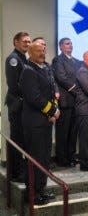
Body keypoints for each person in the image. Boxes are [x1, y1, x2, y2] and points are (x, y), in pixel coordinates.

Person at [20, 42, 60, 205]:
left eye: (43, 50)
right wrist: (52, 111)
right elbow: (34, 97)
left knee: (44, 158)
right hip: (34, 122)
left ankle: (40, 190)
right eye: (38, 50)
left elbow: (52, 93)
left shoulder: (46, 68)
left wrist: (54, 110)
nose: (42, 52)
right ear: (30, 52)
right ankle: (31, 194)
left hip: (45, 121)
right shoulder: (28, 70)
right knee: (35, 158)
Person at [5, 32, 31, 182]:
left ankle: (21, 170)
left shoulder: (23, 58)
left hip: (23, 105)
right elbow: (14, 85)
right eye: (24, 42)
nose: (27, 44)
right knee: (17, 140)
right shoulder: (13, 59)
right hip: (17, 105)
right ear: (15, 42)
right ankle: (16, 173)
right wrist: (30, 93)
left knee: (22, 139)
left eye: (28, 42)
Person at [52, 38, 81, 167]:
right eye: (67, 43)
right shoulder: (58, 60)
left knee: (73, 132)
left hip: (76, 101)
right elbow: (61, 78)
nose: (70, 45)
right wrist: (78, 92)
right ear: (60, 47)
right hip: (65, 100)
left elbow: (80, 78)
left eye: (71, 43)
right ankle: (62, 159)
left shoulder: (76, 61)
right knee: (63, 132)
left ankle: (71, 156)